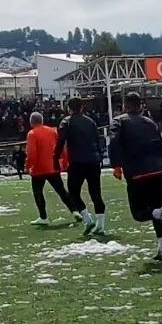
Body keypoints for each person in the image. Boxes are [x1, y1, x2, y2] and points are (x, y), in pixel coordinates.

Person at [110, 93, 162, 259]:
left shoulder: (119, 121)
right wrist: (161, 165)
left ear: (124, 105)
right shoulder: (150, 122)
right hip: (158, 171)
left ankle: (159, 215)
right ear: (140, 105)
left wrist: (116, 165)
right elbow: (160, 145)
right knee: (157, 207)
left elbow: (114, 142)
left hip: (137, 172)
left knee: (139, 213)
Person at [54, 98, 106, 235]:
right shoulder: (91, 121)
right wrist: (99, 156)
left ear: (68, 108)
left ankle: (88, 220)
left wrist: (55, 158)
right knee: (96, 193)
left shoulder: (66, 122)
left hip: (77, 162)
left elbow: (61, 141)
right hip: (93, 161)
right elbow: (98, 140)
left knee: (73, 193)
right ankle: (101, 225)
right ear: (82, 107)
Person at [26, 112, 75, 225]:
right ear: (42, 121)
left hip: (38, 169)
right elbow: (61, 147)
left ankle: (43, 217)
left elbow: (32, 153)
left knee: (38, 192)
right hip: (53, 166)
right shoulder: (53, 131)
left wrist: (28, 166)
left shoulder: (32, 134)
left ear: (31, 122)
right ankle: (75, 210)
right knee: (61, 191)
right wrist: (64, 161)